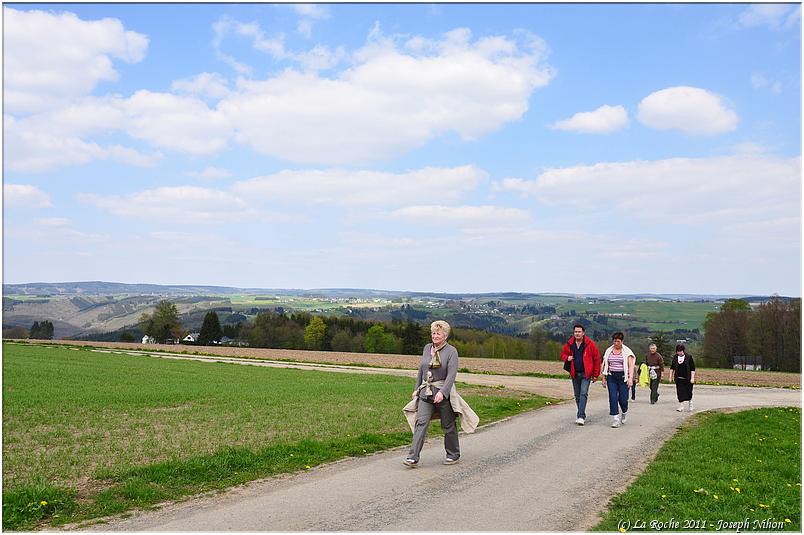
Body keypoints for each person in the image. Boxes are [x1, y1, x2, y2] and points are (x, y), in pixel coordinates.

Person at [403, 320, 478, 467]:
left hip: (443, 393)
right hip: (426, 392)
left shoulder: (451, 351)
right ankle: (413, 457)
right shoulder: (426, 348)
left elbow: (451, 375)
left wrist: (443, 393)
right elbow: (421, 370)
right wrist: (417, 388)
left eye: (438, 333)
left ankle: (453, 454)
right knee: (421, 423)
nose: (435, 336)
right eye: (433, 333)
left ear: (445, 336)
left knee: (448, 425)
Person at [560, 324, 601, 426]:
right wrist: (567, 358)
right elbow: (562, 354)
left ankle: (581, 416)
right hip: (574, 373)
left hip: (586, 374)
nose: (577, 333)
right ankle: (581, 413)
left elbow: (597, 359)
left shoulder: (590, 344)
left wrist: (596, 374)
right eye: (575, 332)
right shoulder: (569, 344)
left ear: (583, 333)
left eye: (579, 332)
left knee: (583, 393)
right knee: (577, 395)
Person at [601, 332, 636, 428]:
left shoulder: (627, 352)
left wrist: (630, 378)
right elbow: (605, 365)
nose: (616, 343)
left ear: (622, 341)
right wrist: (604, 378)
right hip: (611, 377)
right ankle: (615, 418)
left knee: (623, 399)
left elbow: (631, 366)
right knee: (613, 397)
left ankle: (624, 412)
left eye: (618, 341)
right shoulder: (608, 351)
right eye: (614, 341)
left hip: (623, 377)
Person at [669, 344, 695, 412]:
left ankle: (690, 404)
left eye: (680, 351)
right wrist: (670, 377)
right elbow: (672, 368)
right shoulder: (675, 357)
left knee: (689, 392)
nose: (679, 352)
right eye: (677, 351)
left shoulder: (689, 357)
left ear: (683, 350)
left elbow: (692, 369)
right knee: (679, 392)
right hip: (678, 379)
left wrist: (692, 378)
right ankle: (681, 406)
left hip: (687, 379)